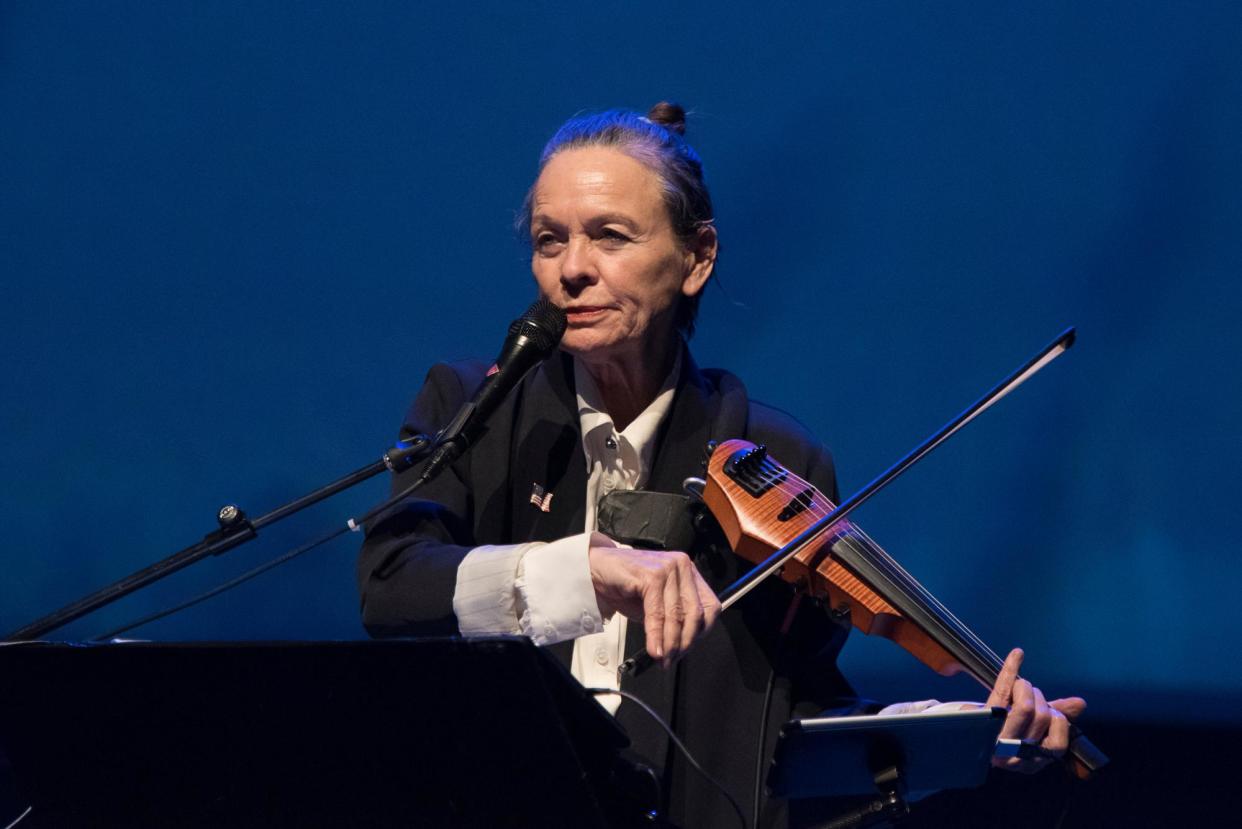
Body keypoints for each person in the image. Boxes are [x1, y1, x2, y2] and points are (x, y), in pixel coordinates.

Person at [357, 103, 1085, 827]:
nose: (571, 270)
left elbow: (794, 722)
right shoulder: (474, 408)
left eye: (609, 236)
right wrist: (580, 571)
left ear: (697, 257)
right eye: (550, 241)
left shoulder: (777, 457)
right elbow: (391, 584)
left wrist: (956, 736)